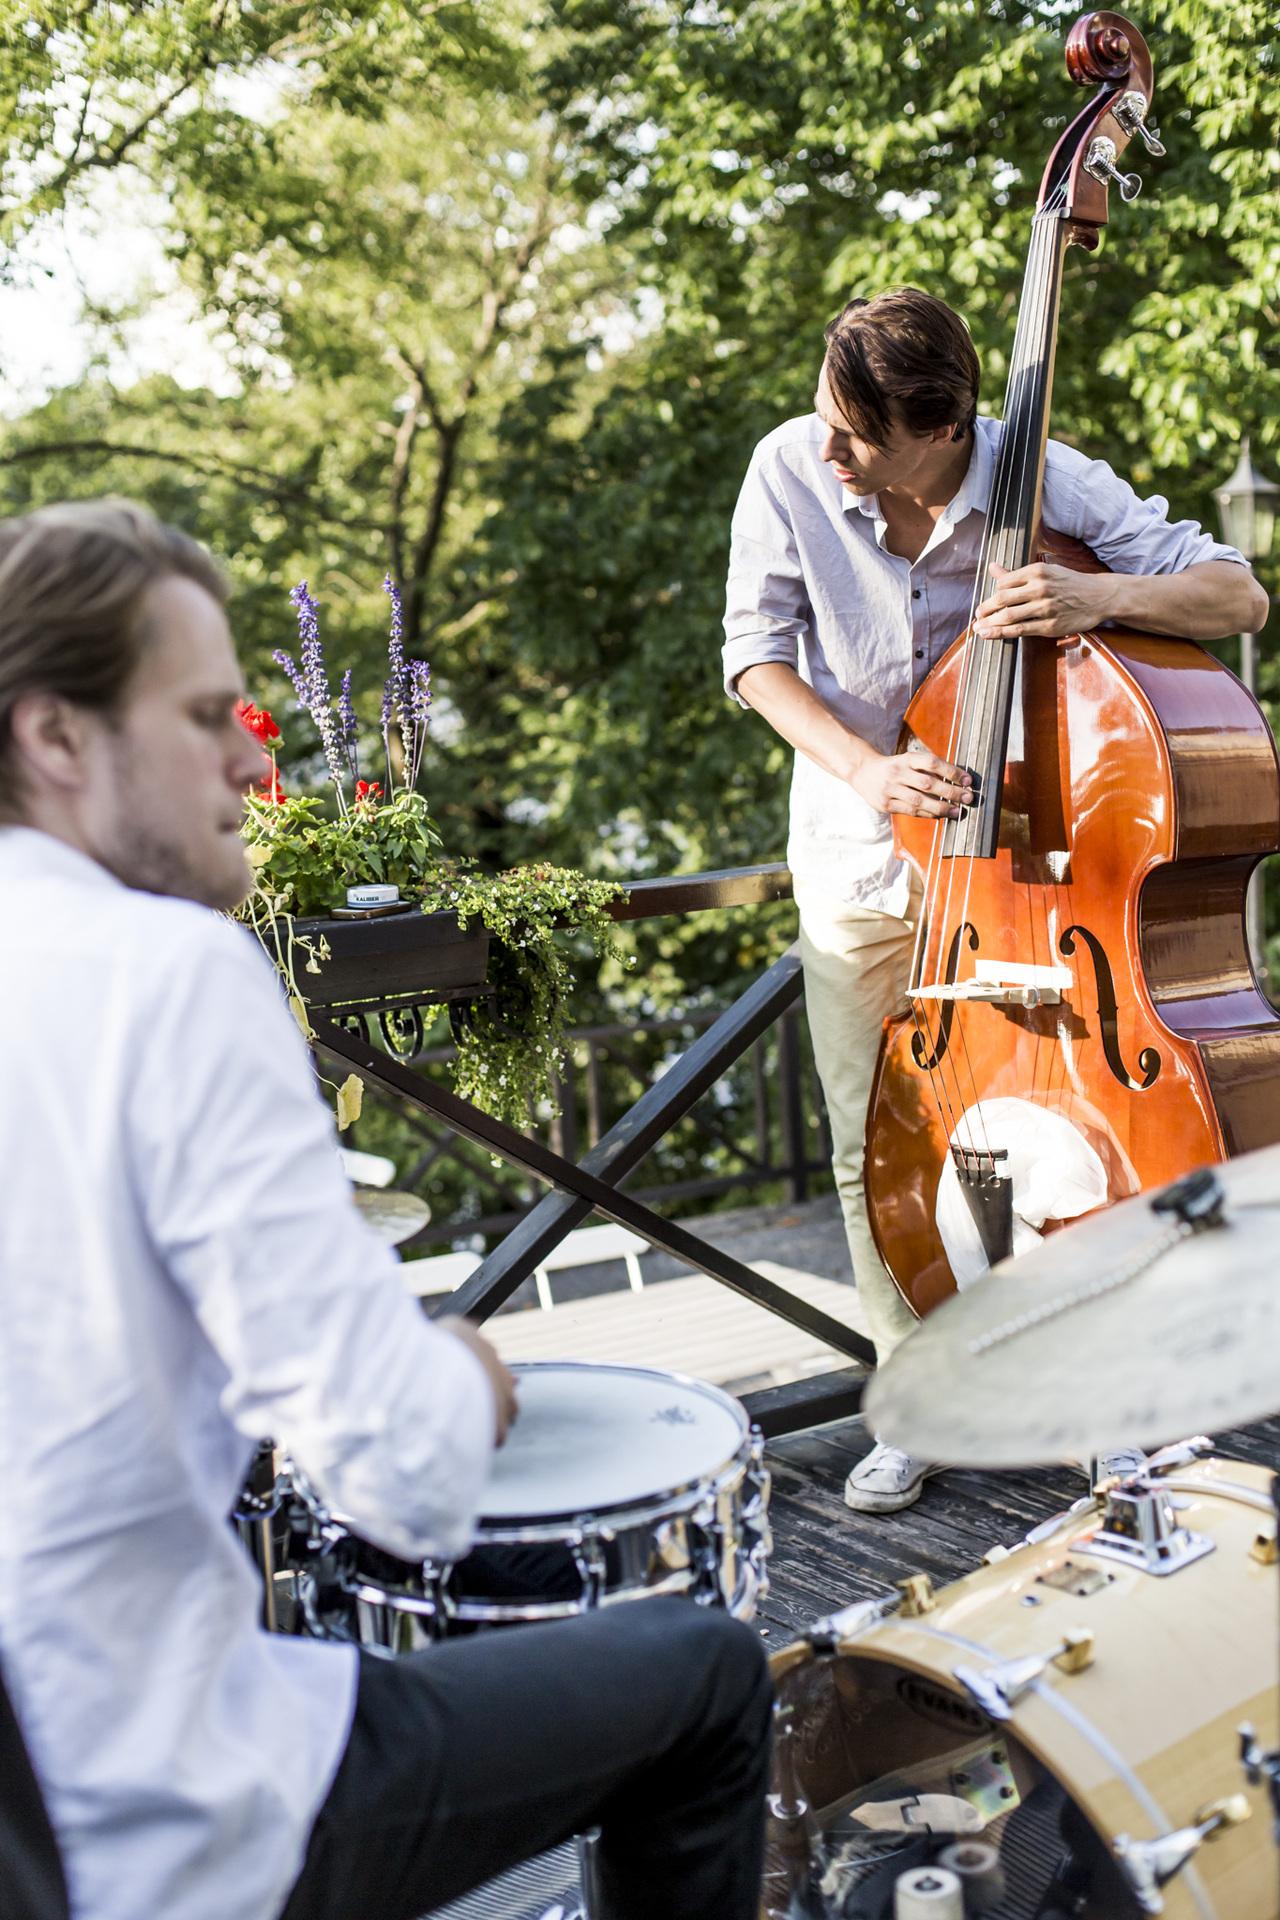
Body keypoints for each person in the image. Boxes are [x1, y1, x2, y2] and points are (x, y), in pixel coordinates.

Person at [0, 500, 772, 1920]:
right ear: (57, 738)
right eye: (204, 715)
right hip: (153, 1813)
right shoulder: (166, 974)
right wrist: (463, 1377)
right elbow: (399, 1480)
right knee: (709, 1681)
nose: (253, 754)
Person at [722, 286, 1269, 1516]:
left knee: (1079, 1131)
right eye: (826, 415)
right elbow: (752, 657)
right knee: (883, 1137)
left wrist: (1094, 599)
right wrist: (867, 766)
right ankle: (917, 1391)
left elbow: (1235, 594)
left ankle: (1106, 1399)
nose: (829, 448)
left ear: (941, 432)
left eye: (855, 437)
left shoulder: (1042, 477)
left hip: (1026, 884)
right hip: (863, 861)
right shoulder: (786, 469)